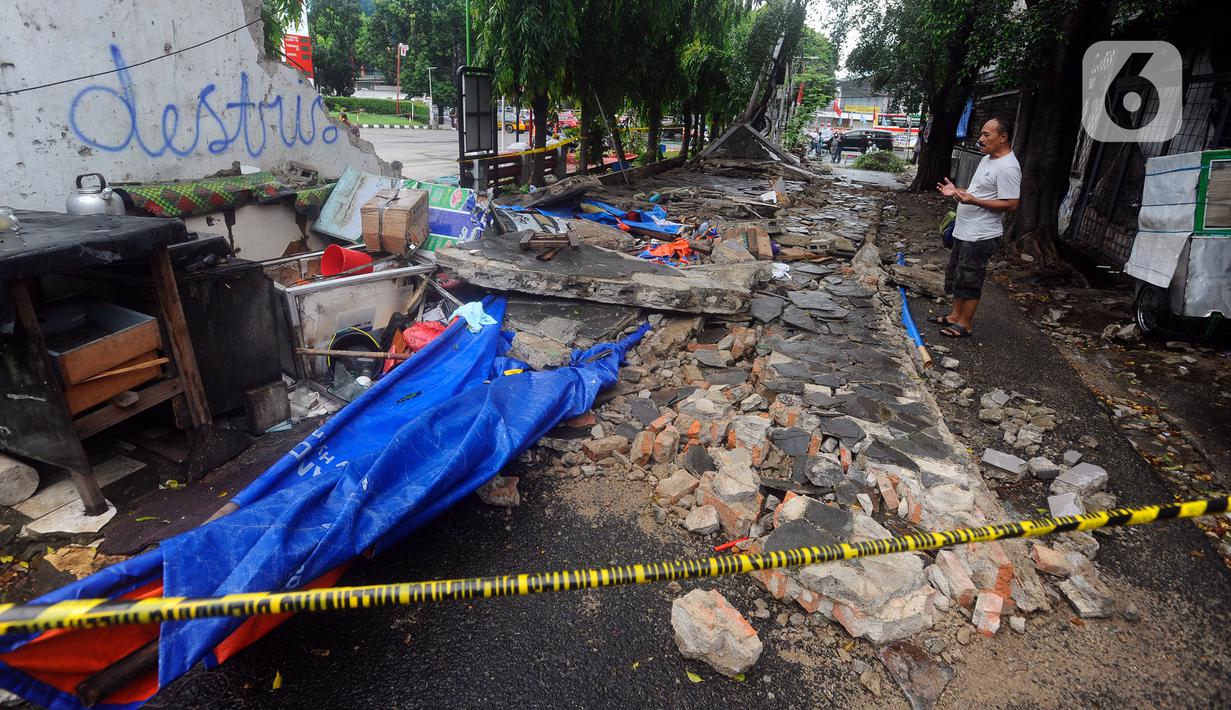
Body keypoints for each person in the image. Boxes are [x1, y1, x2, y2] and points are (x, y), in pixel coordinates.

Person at [932, 116, 1021, 338]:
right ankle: (954, 316)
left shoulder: (1008, 167)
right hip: (965, 229)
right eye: (981, 134)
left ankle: (965, 324)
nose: (980, 139)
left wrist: (974, 201)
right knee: (957, 274)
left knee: (970, 278)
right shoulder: (987, 159)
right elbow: (978, 192)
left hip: (981, 234)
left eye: (986, 135)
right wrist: (956, 191)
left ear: (1003, 137)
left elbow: (1011, 203)